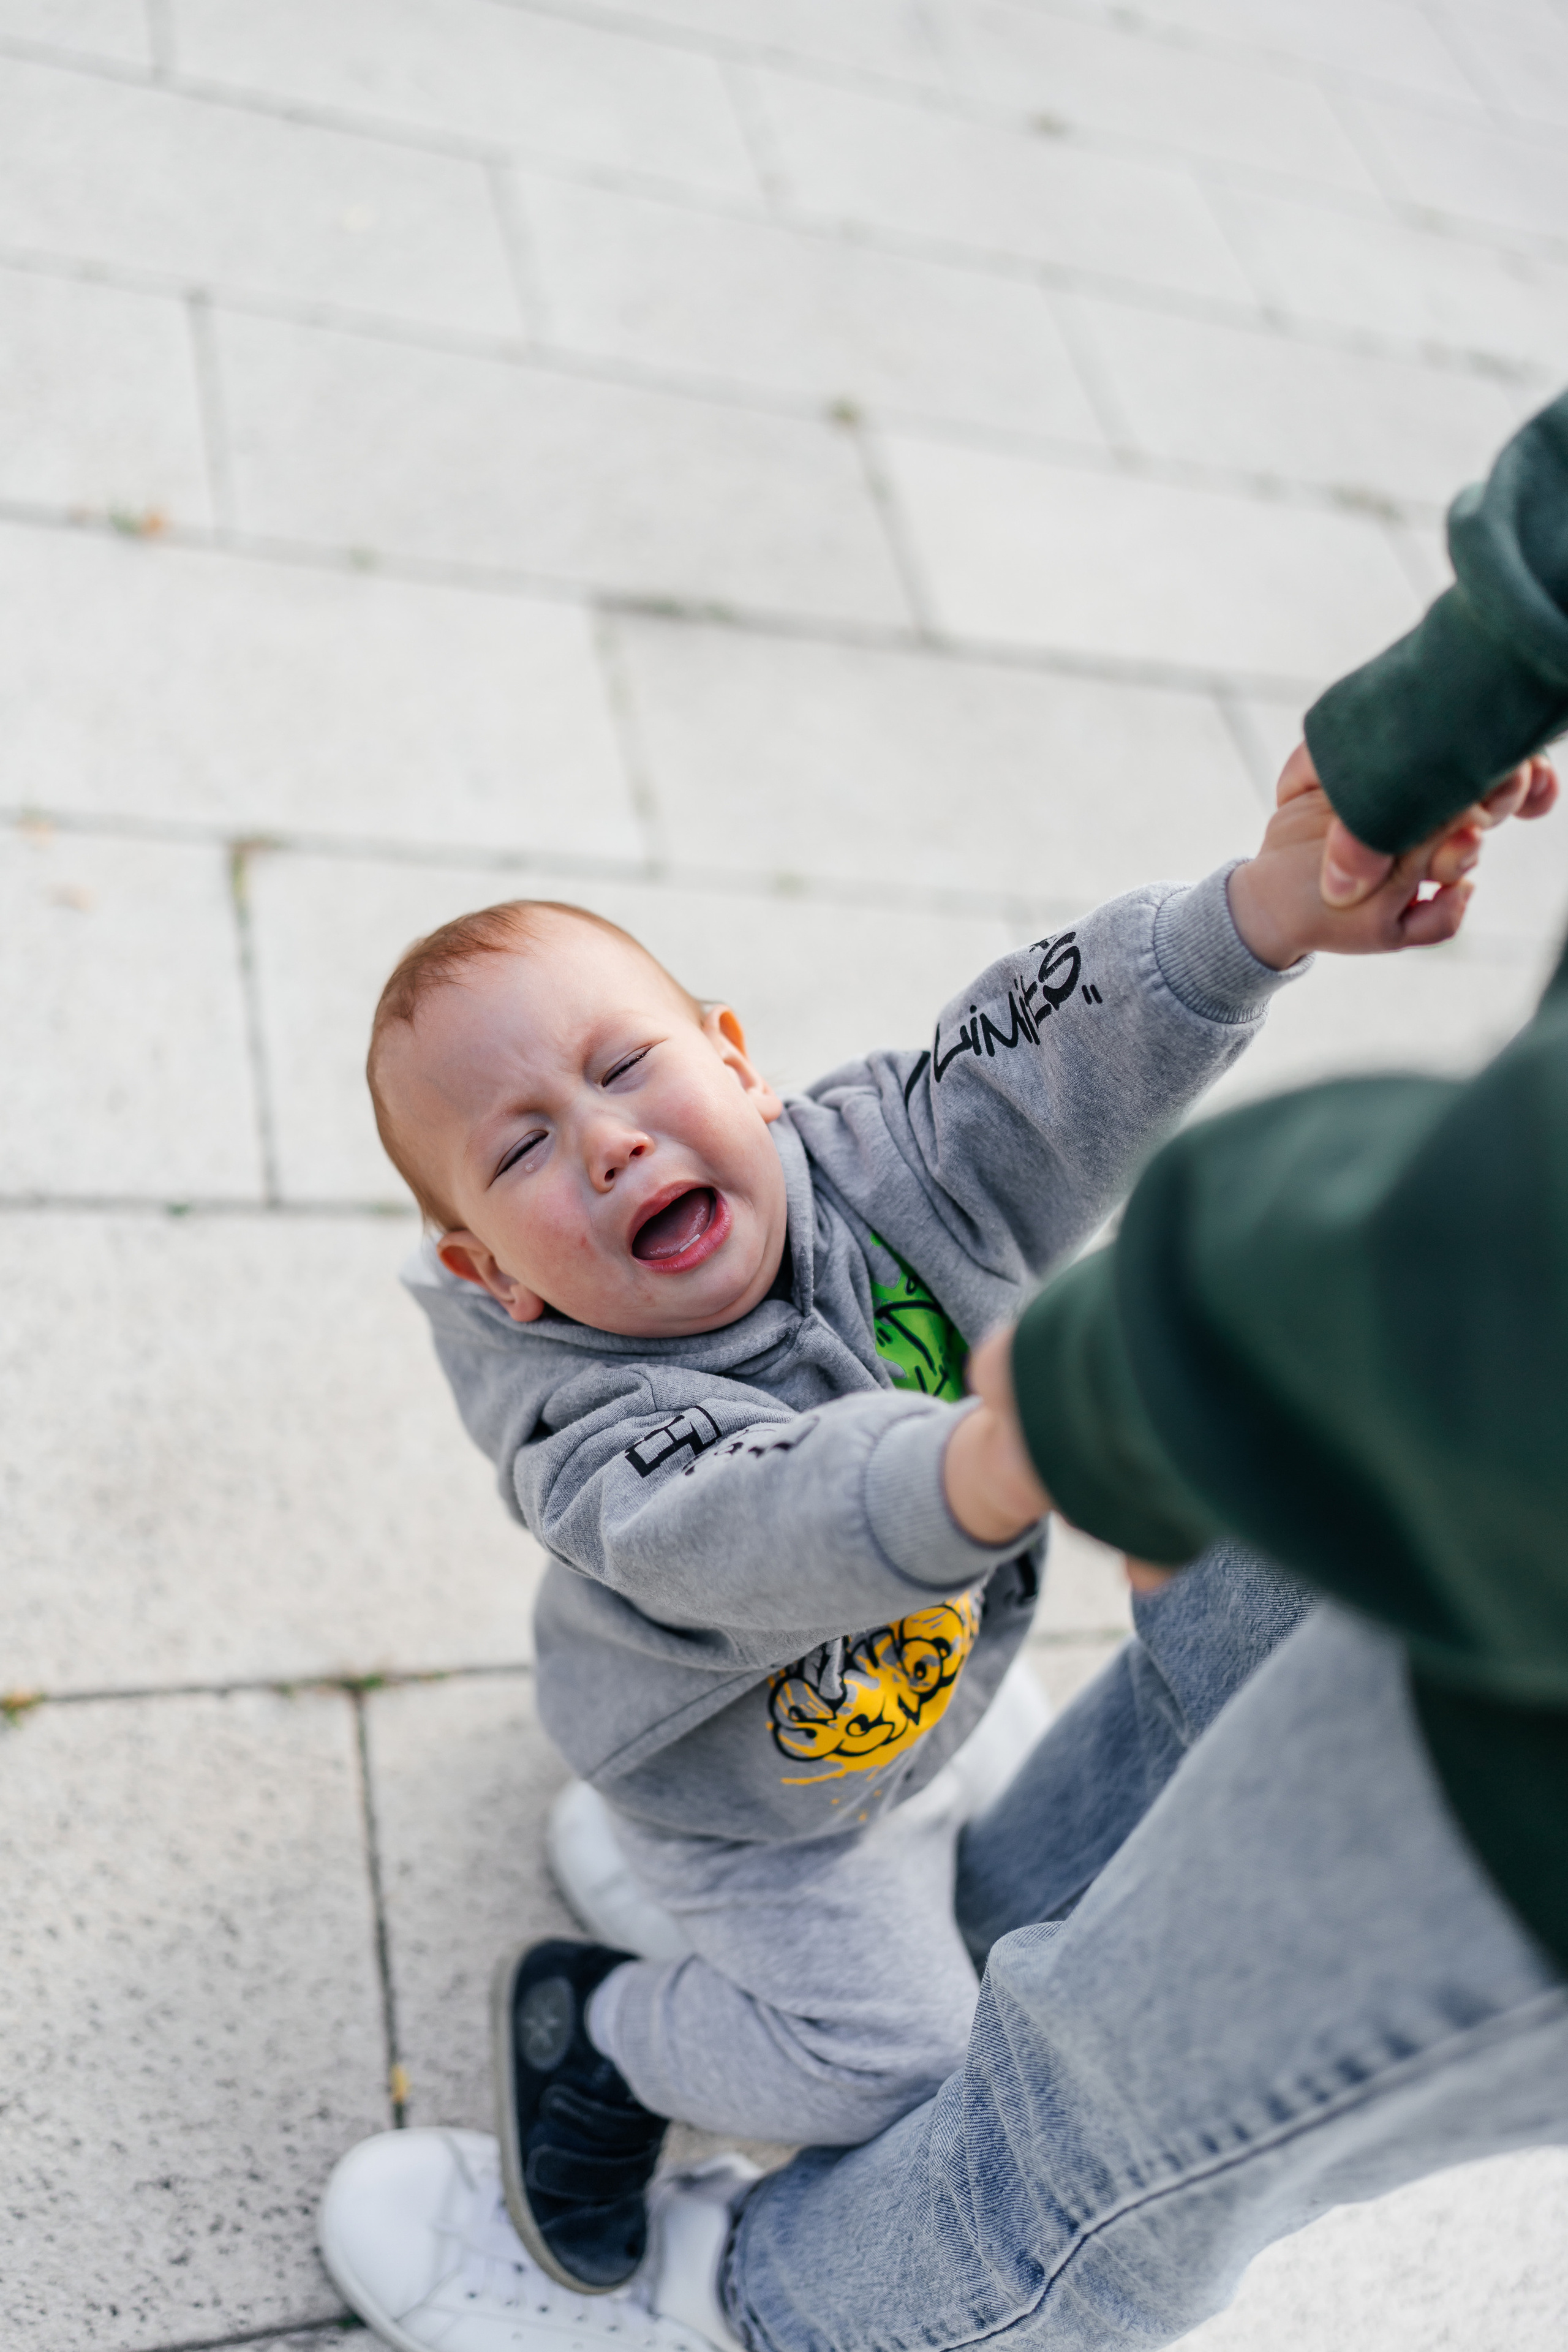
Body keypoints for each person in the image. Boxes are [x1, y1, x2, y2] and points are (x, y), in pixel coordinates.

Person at [318, 394, 1568, 2352]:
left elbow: (1027, 1062)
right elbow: (749, 1524)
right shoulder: (587, 1433)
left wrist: (1262, 917)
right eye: (529, 1149)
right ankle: (614, 2033)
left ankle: (849, 1938)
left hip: (901, 1728)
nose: (614, 1144)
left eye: (630, 1070)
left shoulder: (865, 1162)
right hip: (737, 1798)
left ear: (734, 1055)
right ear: (492, 1270)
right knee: (888, 2067)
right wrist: (985, 1470)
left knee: (983, 1947)